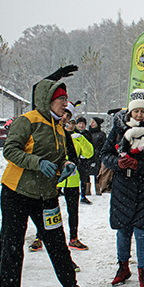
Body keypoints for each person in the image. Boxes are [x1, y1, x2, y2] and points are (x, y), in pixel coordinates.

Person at [0, 66, 90, 287]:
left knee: (57, 242)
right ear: (48, 100)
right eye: (61, 99)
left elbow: (59, 157)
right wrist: (36, 162)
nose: (65, 104)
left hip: (46, 195)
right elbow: (10, 150)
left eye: (66, 99)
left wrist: (65, 165)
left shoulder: (59, 126)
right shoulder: (27, 121)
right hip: (17, 192)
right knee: (13, 244)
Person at [102, 91, 144, 287]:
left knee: (143, 233)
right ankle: (123, 268)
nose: (139, 115)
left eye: (143, 111)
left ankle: (143, 275)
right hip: (123, 188)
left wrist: (140, 165)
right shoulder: (118, 129)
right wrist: (117, 163)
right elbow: (105, 154)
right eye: (136, 111)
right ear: (130, 112)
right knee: (123, 231)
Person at [58, 103, 94, 250]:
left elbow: (89, 153)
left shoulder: (77, 138)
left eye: (71, 121)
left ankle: (73, 238)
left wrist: (82, 139)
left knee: (73, 211)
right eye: (65, 117)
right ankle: (39, 237)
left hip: (72, 178)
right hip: (55, 178)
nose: (68, 123)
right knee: (48, 210)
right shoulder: (55, 133)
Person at [87, 117, 107, 196]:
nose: (91, 124)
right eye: (90, 122)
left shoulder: (101, 134)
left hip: (98, 156)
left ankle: (98, 190)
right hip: (88, 155)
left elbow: (104, 145)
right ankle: (87, 190)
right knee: (86, 173)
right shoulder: (88, 133)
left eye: (93, 122)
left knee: (97, 173)